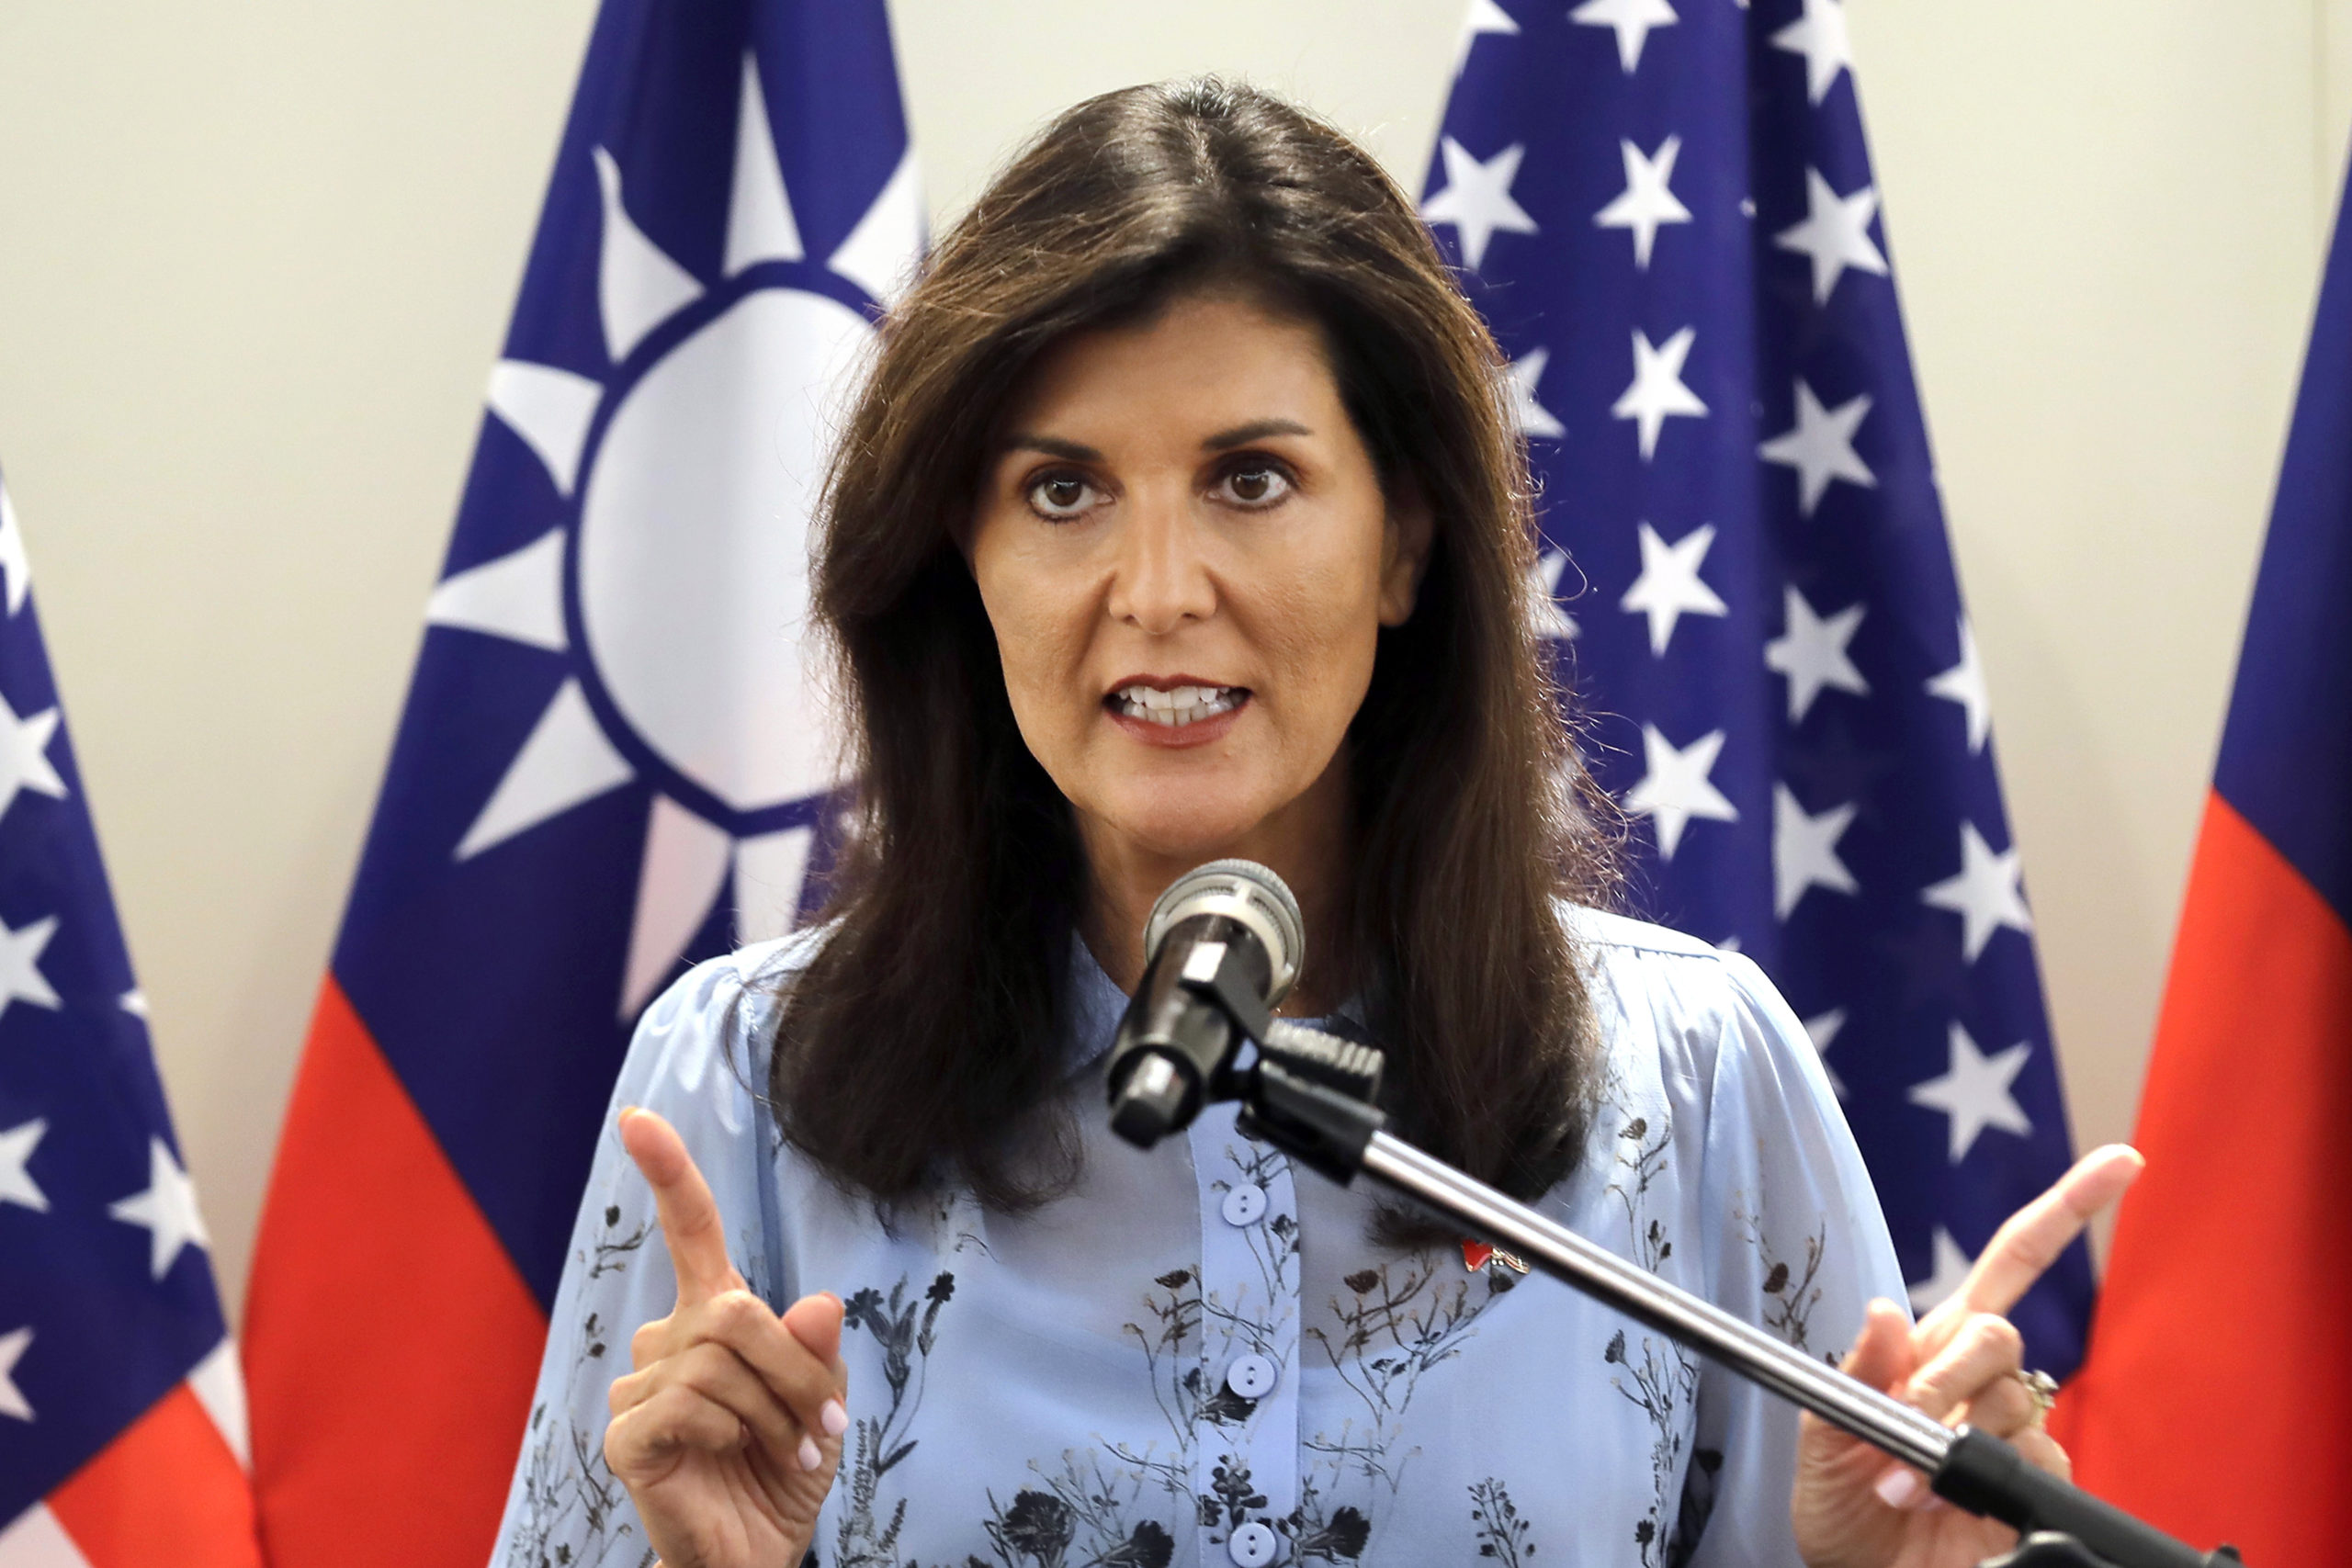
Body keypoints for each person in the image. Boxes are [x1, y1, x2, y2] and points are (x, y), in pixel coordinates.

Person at [486, 79, 2138, 1568]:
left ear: (1408, 541)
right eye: (1062, 491)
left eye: (1251, 479)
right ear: (959, 563)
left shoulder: (1694, 1079)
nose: (1157, 593)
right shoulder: (742, 1089)